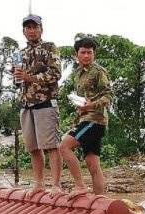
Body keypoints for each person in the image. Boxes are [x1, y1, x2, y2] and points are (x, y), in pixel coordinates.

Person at [13, 14, 63, 198]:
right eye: (28, 28)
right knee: (33, 148)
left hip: (45, 102)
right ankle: (39, 184)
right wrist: (17, 77)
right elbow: (17, 82)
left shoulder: (50, 47)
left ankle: (56, 185)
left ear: (41, 29)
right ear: (24, 31)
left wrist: (30, 77)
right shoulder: (19, 53)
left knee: (51, 145)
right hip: (26, 104)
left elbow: (55, 74)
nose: (32, 30)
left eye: (35, 27)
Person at [59, 37, 113, 197]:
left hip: (94, 121)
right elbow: (83, 101)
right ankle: (100, 201)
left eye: (90, 52)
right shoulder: (78, 74)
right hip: (85, 119)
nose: (87, 56)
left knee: (64, 146)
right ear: (77, 55)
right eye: (83, 52)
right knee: (93, 164)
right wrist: (81, 109)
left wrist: (89, 106)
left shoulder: (99, 71)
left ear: (94, 54)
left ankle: (80, 186)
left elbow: (108, 96)